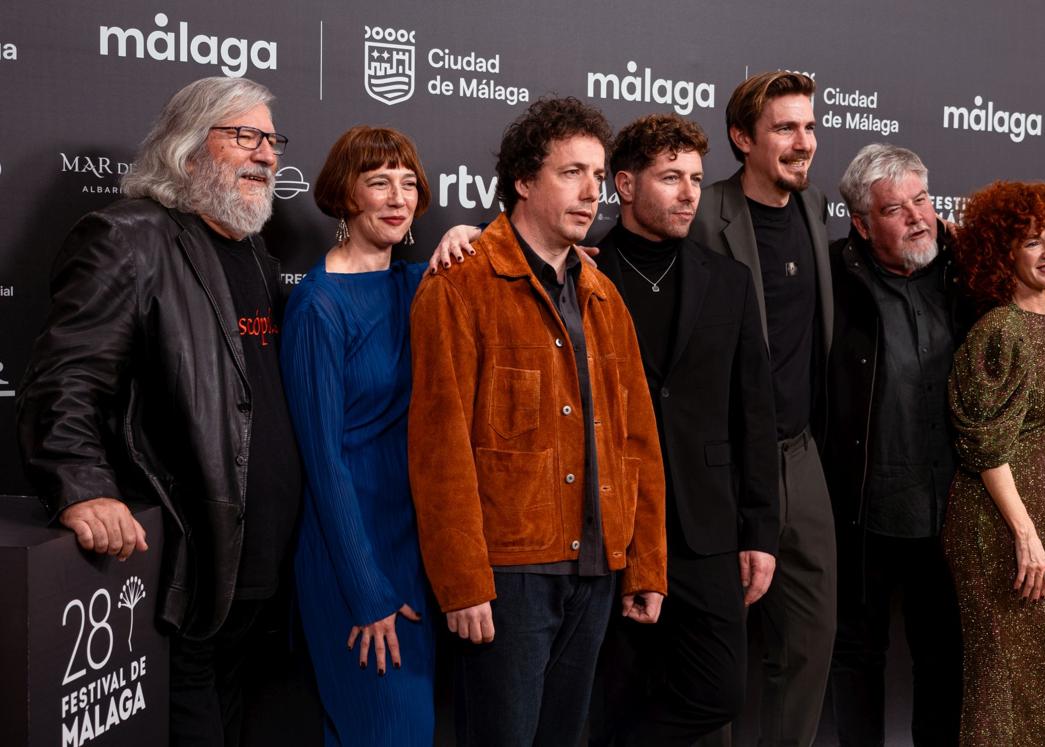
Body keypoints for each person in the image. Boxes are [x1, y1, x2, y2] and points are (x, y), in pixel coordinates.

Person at [17, 77, 303, 746]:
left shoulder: (253, 252)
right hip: (186, 575)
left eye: (271, 139)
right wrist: (81, 487)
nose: (266, 153)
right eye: (244, 135)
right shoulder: (129, 236)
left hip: (257, 581)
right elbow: (65, 378)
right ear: (187, 148)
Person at [407, 96, 667, 747]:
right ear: (524, 180)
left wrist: (646, 564)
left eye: (598, 176)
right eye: (570, 172)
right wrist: (463, 581)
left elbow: (637, 439)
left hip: (595, 571)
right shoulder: (461, 282)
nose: (591, 192)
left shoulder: (604, 294)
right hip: (507, 576)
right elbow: (439, 448)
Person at [589, 114, 779, 745]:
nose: (689, 192)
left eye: (696, 178)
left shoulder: (728, 281)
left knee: (718, 692)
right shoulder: (582, 273)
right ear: (624, 183)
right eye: (670, 178)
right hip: (610, 526)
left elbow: (754, 411)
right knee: (613, 692)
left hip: (707, 530)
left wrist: (761, 531)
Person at [690, 70, 835, 746]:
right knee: (715, 655)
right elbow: (603, 252)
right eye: (785, 128)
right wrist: (472, 234)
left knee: (810, 641)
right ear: (743, 138)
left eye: (808, 126)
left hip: (799, 456)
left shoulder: (816, 207)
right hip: (720, 466)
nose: (803, 142)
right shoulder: (700, 212)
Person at [280, 126, 437, 745]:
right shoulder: (318, 306)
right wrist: (366, 591)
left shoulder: (416, 283)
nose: (397, 198)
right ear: (346, 195)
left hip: (413, 547)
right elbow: (324, 465)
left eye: (408, 184)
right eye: (379, 183)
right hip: (352, 553)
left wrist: (463, 234)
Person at [944, 181, 1045, 746]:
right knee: (1004, 682)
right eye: (1032, 242)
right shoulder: (1002, 330)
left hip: (1041, 524)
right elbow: (984, 447)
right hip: (998, 526)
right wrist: (1024, 533)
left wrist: (1039, 530)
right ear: (1003, 252)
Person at [824, 143, 969, 745]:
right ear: (860, 222)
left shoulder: (968, 273)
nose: (917, 217)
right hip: (864, 511)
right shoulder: (830, 274)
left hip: (951, 511)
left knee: (944, 660)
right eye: (895, 209)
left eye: (923, 200)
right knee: (857, 659)